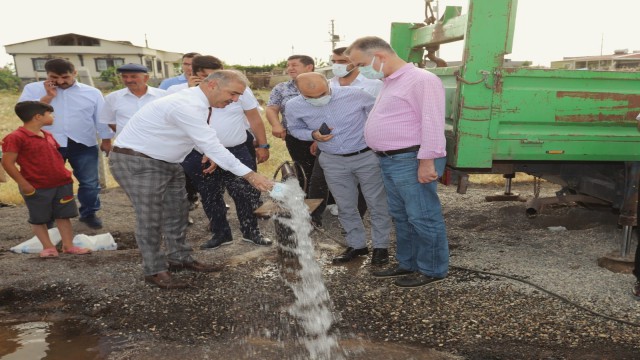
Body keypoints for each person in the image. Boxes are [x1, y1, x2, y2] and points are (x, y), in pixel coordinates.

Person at [108, 70, 273, 289]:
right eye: (233, 94)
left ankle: (179, 257)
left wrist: (207, 152)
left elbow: (193, 136)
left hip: (168, 162)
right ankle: (155, 269)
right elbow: (212, 143)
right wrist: (250, 175)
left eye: (238, 96)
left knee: (178, 212)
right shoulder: (186, 105)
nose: (234, 100)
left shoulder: (199, 103)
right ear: (213, 84)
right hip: (140, 162)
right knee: (150, 217)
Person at [346, 36, 449, 288]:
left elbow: (433, 123)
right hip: (391, 160)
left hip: (410, 159)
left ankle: (433, 269)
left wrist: (427, 162)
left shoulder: (421, 80)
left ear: (379, 57)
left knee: (422, 216)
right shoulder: (390, 82)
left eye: (360, 63)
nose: (359, 70)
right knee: (402, 216)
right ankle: (408, 263)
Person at [286, 72, 392, 265]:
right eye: (311, 98)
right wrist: (313, 135)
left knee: (377, 203)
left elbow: (379, 115)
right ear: (298, 91)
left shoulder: (355, 94)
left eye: (322, 93)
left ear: (328, 83)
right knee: (345, 205)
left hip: (366, 156)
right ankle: (357, 245)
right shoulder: (293, 106)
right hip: (332, 161)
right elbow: (294, 129)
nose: (319, 99)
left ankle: (381, 247)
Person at [178, 56, 272, 248]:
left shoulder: (238, 91)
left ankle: (251, 232)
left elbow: (254, 119)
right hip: (198, 152)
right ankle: (221, 234)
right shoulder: (181, 93)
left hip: (237, 150)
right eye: (205, 76)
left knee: (245, 192)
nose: (211, 80)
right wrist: (191, 91)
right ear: (195, 74)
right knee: (210, 195)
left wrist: (263, 145)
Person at [18, 58, 114, 230]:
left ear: (74, 73)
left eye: (65, 77)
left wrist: (106, 140)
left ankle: (89, 213)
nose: (61, 81)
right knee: (47, 183)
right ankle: (48, 217)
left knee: (90, 183)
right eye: (55, 77)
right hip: (46, 145)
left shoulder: (92, 92)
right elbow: (26, 116)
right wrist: (47, 97)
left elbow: (101, 118)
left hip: (83, 143)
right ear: (46, 75)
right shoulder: (32, 89)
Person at [2, 101, 92, 258]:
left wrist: (65, 175)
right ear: (38, 117)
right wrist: (24, 184)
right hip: (36, 187)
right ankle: (48, 248)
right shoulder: (15, 138)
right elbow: (7, 163)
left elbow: (55, 158)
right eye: (49, 114)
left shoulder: (48, 135)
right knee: (39, 218)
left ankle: (68, 246)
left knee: (64, 216)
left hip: (62, 184)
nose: (52, 116)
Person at [266, 55, 319, 200]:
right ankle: (305, 201)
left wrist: (319, 138)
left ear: (309, 67)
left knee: (325, 170)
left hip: (322, 137)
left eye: (294, 65)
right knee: (303, 169)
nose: (290, 68)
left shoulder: (323, 85)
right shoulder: (282, 88)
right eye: (288, 65)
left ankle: (329, 201)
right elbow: (271, 109)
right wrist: (276, 125)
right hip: (294, 137)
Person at [99, 63, 166, 136]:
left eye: (133, 76)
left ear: (146, 78)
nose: (128, 80)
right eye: (124, 76)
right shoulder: (112, 98)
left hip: (157, 142)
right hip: (126, 144)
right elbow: (110, 121)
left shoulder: (163, 96)